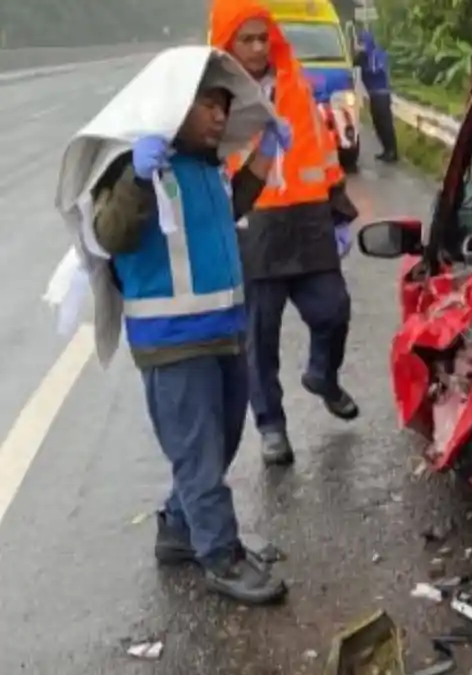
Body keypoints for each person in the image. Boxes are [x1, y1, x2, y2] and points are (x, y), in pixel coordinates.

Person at [91, 64, 292, 605]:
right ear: (174, 104)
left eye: (225, 105)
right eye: (208, 103)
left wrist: (267, 151)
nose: (220, 114)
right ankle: (220, 556)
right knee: (199, 453)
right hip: (173, 339)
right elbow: (110, 233)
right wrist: (135, 176)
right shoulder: (136, 164)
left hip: (223, 330)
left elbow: (230, 211)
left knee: (221, 442)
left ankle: (179, 530)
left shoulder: (208, 168)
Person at [210, 0, 361, 467]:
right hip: (253, 227)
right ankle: (271, 425)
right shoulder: (214, 97)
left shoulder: (294, 81)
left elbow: (320, 145)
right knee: (260, 336)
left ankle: (322, 375)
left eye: (262, 37)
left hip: (307, 220)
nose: (258, 48)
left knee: (333, 310)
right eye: (247, 39)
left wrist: (338, 206)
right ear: (227, 43)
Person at [354, 28, 399, 163]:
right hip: (374, 95)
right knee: (377, 124)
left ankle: (392, 151)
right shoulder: (363, 56)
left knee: (385, 124)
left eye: (361, 42)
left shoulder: (376, 54)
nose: (359, 46)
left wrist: (363, 58)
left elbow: (375, 70)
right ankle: (386, 150)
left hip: (381, 95)